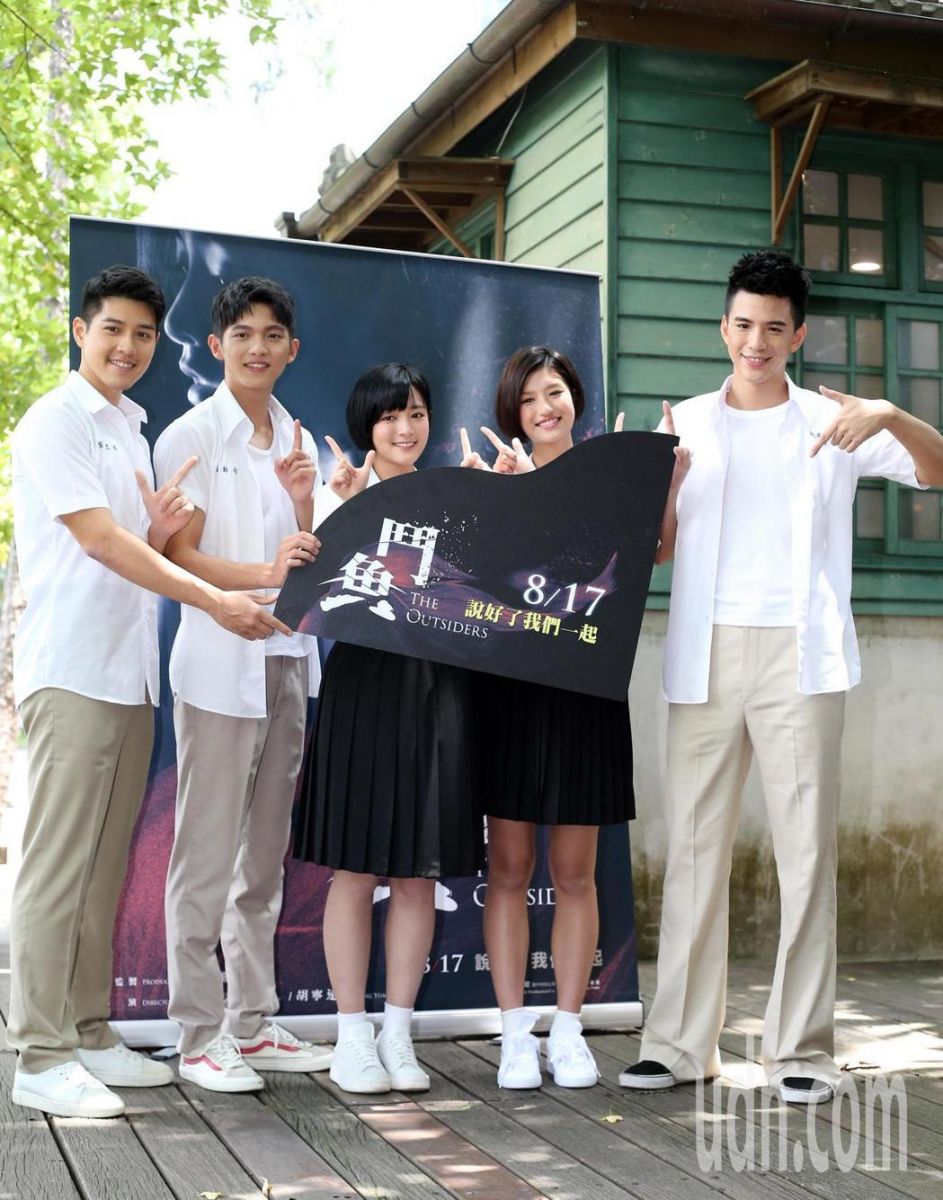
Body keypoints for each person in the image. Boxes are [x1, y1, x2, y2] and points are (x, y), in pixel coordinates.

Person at [620, 250, 943, 1104]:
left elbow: (937, 468)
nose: (754, 342)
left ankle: (800, 1050)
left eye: (773, 328)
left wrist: (888, 412)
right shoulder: (685, 421)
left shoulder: (837, 421)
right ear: (721, 328)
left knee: (804, 854)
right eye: (742, 325)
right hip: (705, 650)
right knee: (692, 852)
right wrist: (668, 478)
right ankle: (678, 1045)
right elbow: (656, 549)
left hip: (802, 656)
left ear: (797, 335)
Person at [9, 265, 287, 1120]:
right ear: (80, 331)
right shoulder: (56, 420)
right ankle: (39, 1052)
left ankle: (89, 1032)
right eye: (112, 330)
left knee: (101, 870)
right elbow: (97, 541)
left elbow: (136, 544)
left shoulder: (130, 428)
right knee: (56, 867)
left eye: (140, 334)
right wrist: (210, 597)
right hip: (72, 671)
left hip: (128, 675)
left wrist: (162, 534)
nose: (126, 347)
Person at [468, 347, 686, 1092]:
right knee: (507, 869)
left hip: (586, 694)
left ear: (574, 400)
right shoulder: (497, 478)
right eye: (529, 399)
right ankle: (512, 1033)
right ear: (514, 413)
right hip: (510, 693)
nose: (543, 408)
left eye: (554, 393)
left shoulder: (609, 474)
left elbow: (656, 551)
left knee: (575, 874)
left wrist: (667, 481)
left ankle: (567, 1028)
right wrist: (500, 499)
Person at [154, 276, 331, 1093]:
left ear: (292, 348)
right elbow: (179, 556)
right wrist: (265, 573)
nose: (257, 348)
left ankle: (251, 1024)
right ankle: (197, 1035)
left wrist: (303, 506)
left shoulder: (297, 437)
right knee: (205, 857)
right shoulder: (190, 435)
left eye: (271, 335)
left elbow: (308, 556)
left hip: (287, 659)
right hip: (221, 668)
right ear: (216, 344)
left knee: (262, 859)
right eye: (242, 334)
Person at [294, 363, 484, 1095]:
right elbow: (305, 596)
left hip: (438, 691)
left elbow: (483, 601)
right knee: (354, 868)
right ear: (365, 427)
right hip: (363, 689)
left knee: (417, 871)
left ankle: (398, 1032)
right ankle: (351, 1035)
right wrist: (333, 513)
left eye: (416, 414)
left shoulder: (454, 497)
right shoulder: (338, 490)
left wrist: (491, 508)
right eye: (389, 416)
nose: (405, 429)